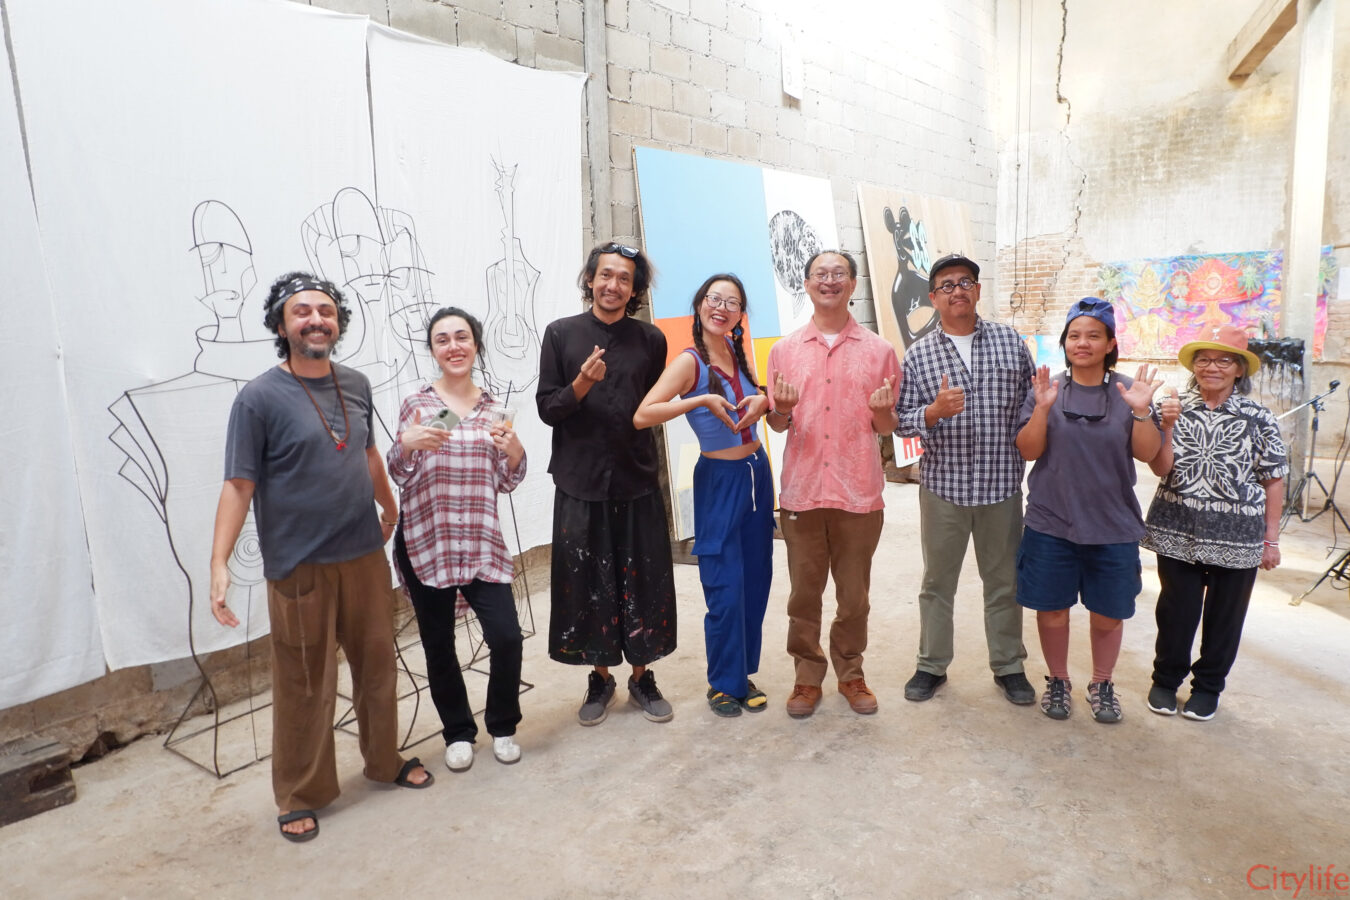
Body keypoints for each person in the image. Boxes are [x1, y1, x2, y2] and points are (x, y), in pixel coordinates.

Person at [209, 272, 432, 844]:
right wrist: (219, 564)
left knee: (378, 667)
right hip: (298, 565)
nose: (316, 320)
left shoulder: (355, 383)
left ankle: (383, 759)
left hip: (363, 555)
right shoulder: (258, 398)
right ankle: (301, 793)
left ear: (338, 323)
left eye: (326, 311)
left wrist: (389, 508)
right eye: (303, 311)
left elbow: (368, 454)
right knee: (306, 682)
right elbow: (239, 484)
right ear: (282, 325)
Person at [536, 242, 677, 725]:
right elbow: (547, 409)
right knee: (589, 583)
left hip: (636, 478)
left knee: (642, 579)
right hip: (580, 481)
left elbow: (654, 405)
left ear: (635, 290)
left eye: (624, 279)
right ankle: (599, 677)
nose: (613, 285)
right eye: (605, 275)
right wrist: (581, 384)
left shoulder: (651, 340)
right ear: (590, 280)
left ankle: (641, 676)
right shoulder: (561, 334)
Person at [386, 307, 527, 772]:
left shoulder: (494, 410)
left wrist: (515, 453)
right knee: (439, 645)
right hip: (428, 542)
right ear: (433, 350)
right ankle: (458, 732)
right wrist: (405, 445)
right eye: (442, 339)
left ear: (476, 345)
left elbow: (506, 480)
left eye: (462, 337)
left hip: (481, 544)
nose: (453, 346)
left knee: (506, 638)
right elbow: (398, 473)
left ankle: (503, 725)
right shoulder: (419, 405)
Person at [895, 253, 1036, 705]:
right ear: (933, 298)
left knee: (1004, 583)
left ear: (977, 290)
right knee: (938, 584)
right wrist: (932, 412)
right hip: (945, 489)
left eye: (965, 282)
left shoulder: (1010, 343)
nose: (957, 290)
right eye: (947, 285)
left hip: (1001, 486)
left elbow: (1031, 406)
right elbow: (900, 421)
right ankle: (931, 665)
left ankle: (1009, 666)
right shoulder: (919, 354)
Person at [1013, 298, 1164, 722]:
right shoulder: (1047, 390)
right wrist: (1042, 409)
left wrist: (1141, 412)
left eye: (1093, 336)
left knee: (1108, 614)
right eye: (1074, 336)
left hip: (1112, 526)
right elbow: (1027, 450)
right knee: (1052, 610)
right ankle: (1058, 680)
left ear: (1110, 343)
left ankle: (1102, 682)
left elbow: (1148, 454)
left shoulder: (1129, 392)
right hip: (1051, 522)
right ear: (1064, 343)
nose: (1082, 343)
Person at [765, 250, 901, 718]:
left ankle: (850, 673)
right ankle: (806, 677)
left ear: (853, 283)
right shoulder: (784, 351)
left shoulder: (879, 351)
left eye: (838, 273)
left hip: (858, 493)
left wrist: (882, 412)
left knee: (854, 597)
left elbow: (887, 426)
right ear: (806, 284)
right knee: (804, 596)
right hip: (802, 492)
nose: (829, 280)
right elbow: (778, 423)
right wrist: (782, 410)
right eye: (820, 274)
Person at [633, 274, 773, 717]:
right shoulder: (689, 362)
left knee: (755, 582)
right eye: (714, 298)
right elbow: (643, 414)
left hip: (757, 473)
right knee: (724, 585)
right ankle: (722, 683)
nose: (721, 308)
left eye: (732, 302)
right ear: (699, 305)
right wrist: (697, 401)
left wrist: (764, 401)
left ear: (740, 314)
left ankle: (741, 674)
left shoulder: (736, 351)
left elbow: (757, 397)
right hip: (719, 479)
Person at [1141, 325, 1286, 721]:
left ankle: (1207, 688)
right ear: (1194, 366)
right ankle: (1165, 680)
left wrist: (1271, 539)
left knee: (1225, 618)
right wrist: (1166, 427)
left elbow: (1274, 479)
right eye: (1204, 359)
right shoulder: (1171, 407)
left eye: (1224, 360)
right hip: (1178, 529)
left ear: (1239, 369)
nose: (1212, 367)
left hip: (1238, 536)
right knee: (1176, 612)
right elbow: (1159, 467)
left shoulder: (1258, 417)